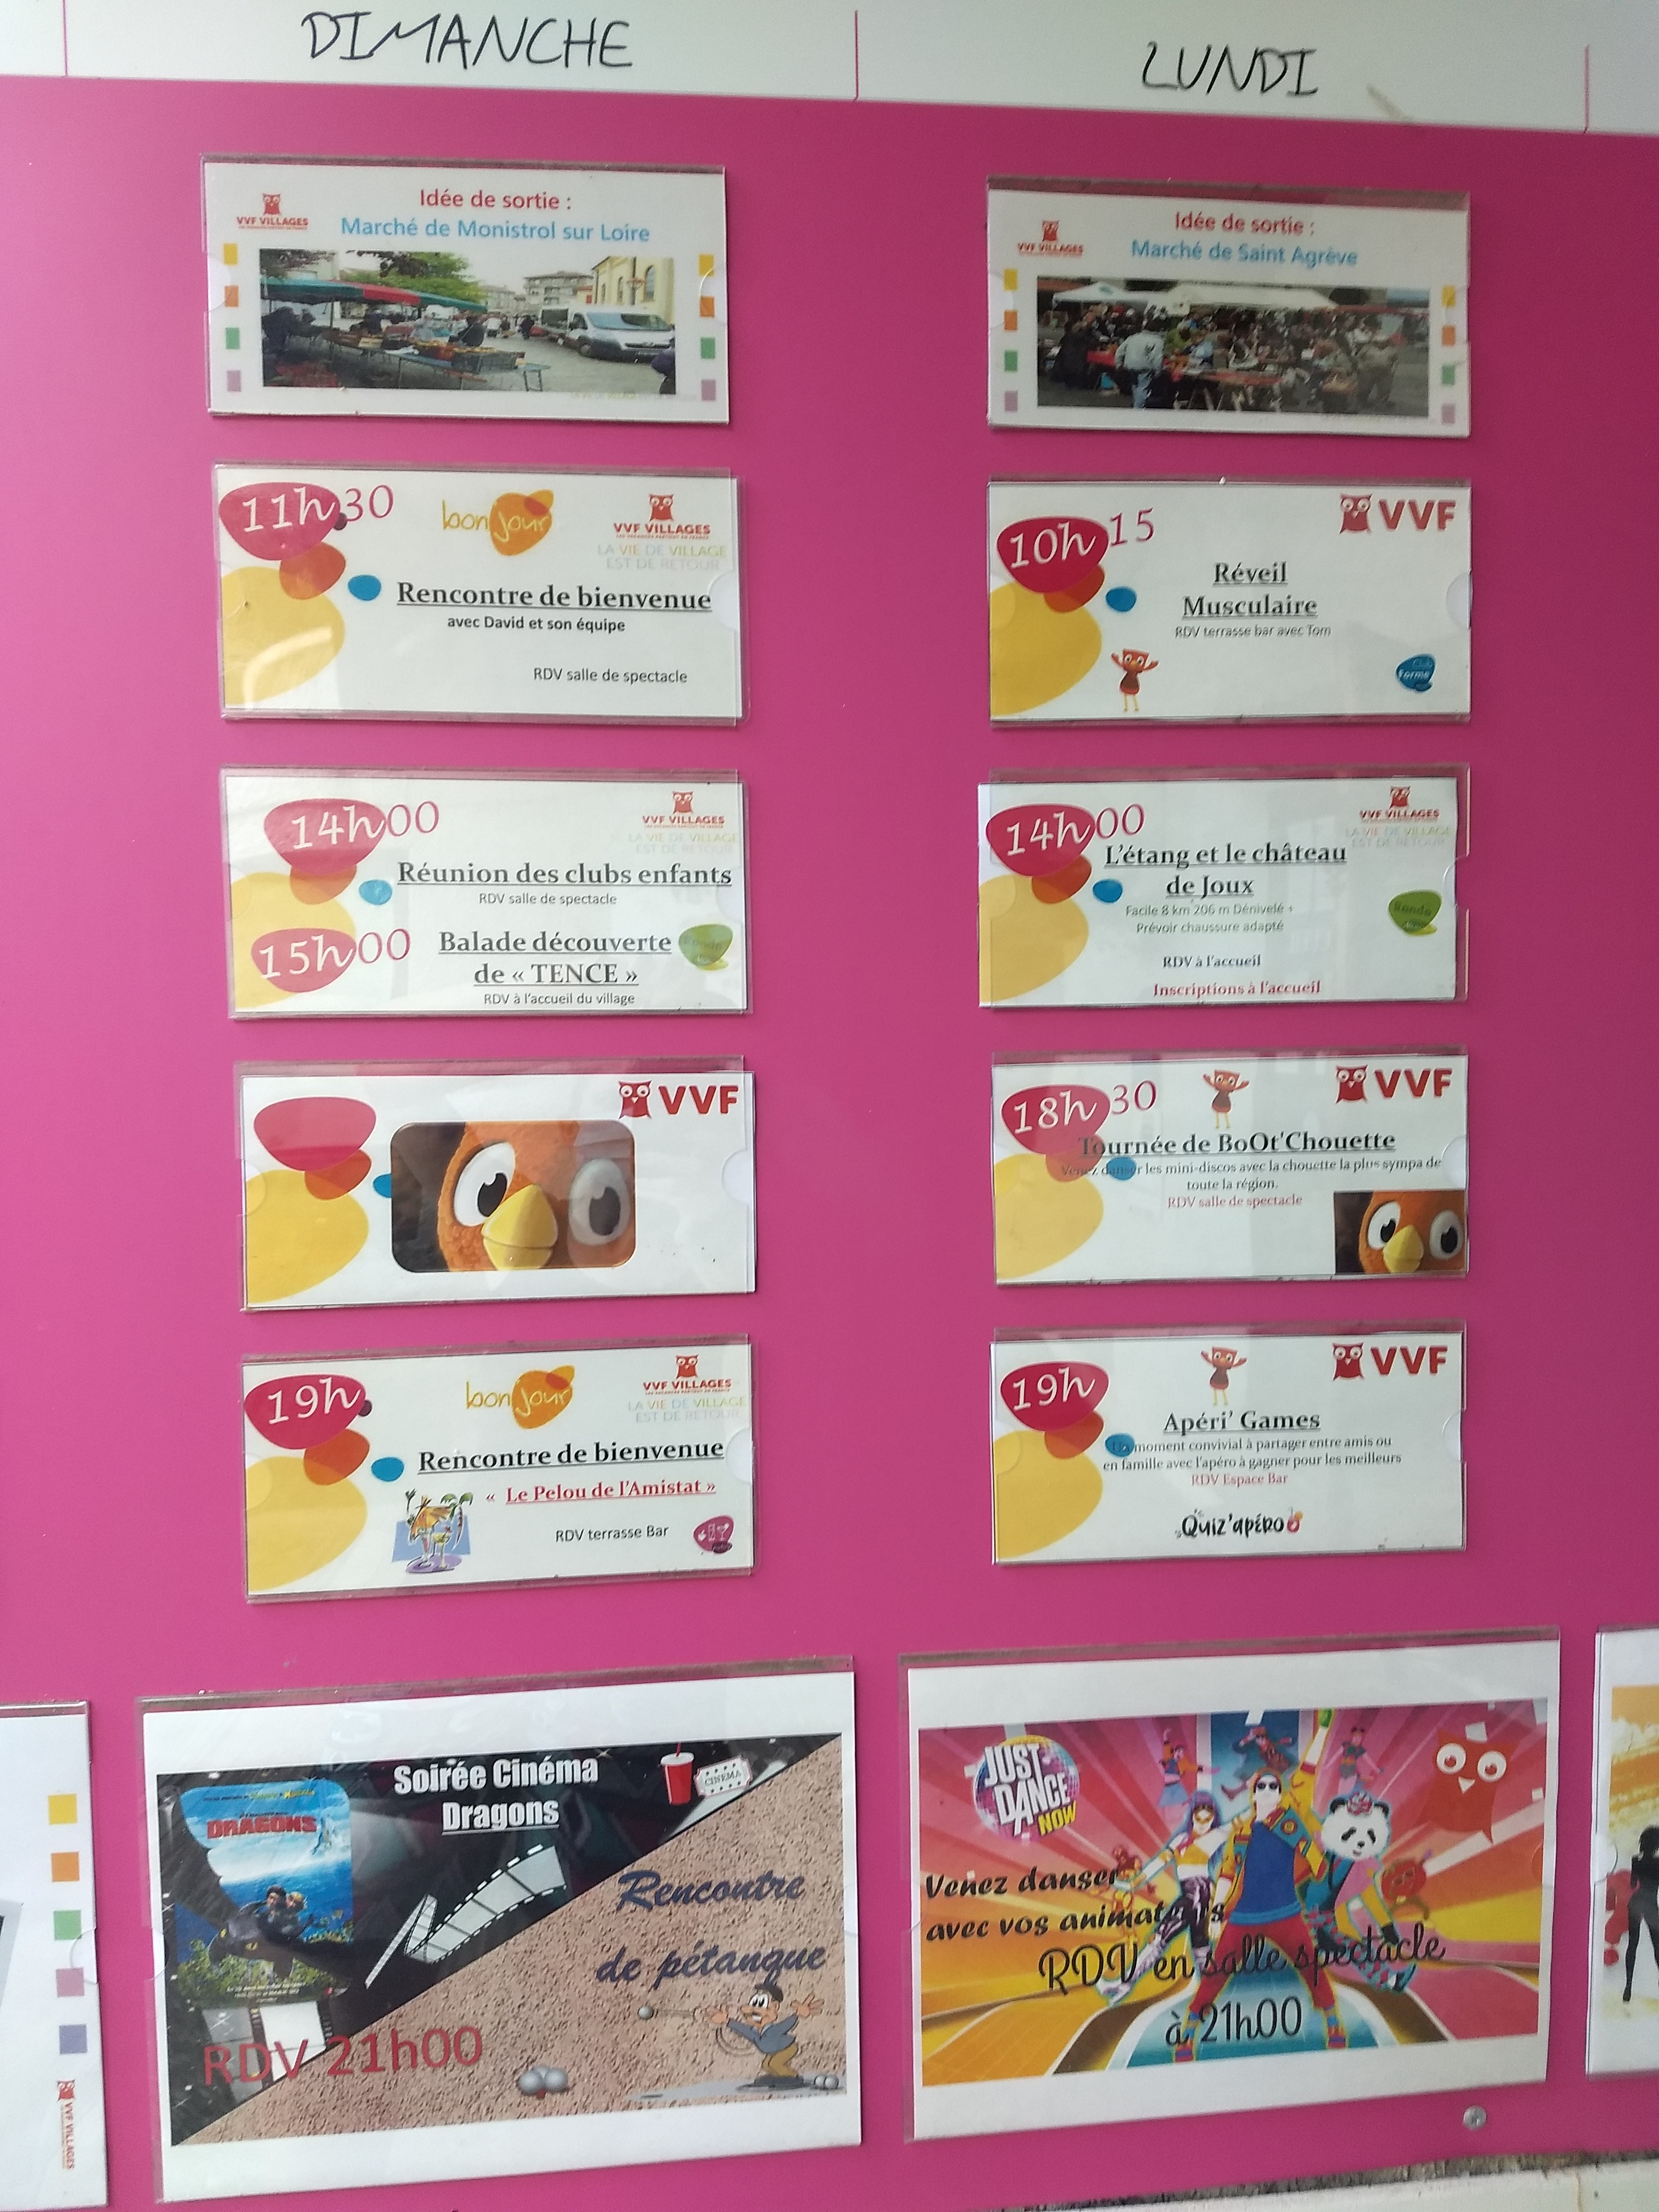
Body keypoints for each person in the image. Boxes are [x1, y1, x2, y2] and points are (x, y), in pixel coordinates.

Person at [1171, 1714, 1348, 2060]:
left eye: (1273, 1786)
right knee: (1216, 1973)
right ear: (1253, 1794)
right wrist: (1217, 1912)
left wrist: (1324, 1730)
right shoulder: (1241, 1832)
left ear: (1281, 1793)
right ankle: (1189, 2030)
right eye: (1262, 1787)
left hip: (1287, 1914)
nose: (1268, 1791)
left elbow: (1308, 1775)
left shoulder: (1290, 1818)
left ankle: (1333, 2021)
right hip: (1244, 1917)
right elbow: (1227, 1874)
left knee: (1311, 1968)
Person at [708, 1981, 821, 2085]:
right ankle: (777, 2077)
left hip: (787, 2048)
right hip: (774, 2051)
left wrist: (797, 2014)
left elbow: (786, 2025)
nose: (754, 2010)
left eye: (762, 2003)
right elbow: (743, 2029)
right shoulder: (754, 2032)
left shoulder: (774, 2030)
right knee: (766, 2065)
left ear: (775, 2007)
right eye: (754, 2003)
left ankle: (793, 2078)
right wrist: (727, 2021)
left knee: (774, 2064)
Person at [1624, 1827, 1659, 2000]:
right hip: (1651, 1904)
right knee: (1657, 1947)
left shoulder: (1636, 1861)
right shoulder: (1658, 1863)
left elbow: (1633, 1884)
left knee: (1633, 1945)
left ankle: (1628, 1987)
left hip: (1637, 1903)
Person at [1116, 322, 1165, 408]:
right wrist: (1158, 370)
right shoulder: (1158, 340)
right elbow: (1157, 357)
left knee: (1135, 386)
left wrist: (1118, 364)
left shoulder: (1133, 337)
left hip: (1130, 365)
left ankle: (1137, 404)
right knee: (1143, 388)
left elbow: (1120, 351)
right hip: (1145, 366)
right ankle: (1138, 409)